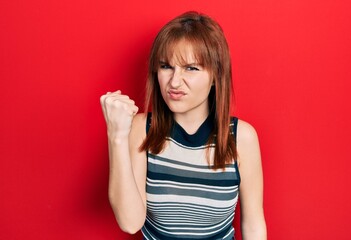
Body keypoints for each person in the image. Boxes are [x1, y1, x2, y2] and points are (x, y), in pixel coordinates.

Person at [100, 11, 266, 240]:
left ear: (216, 76)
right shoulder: (141, 130)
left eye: (191, 68)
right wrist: (117, 135)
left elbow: (254, 225)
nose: (174, 82)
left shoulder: (241, 138)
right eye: (166, 66)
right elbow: (130, 222)